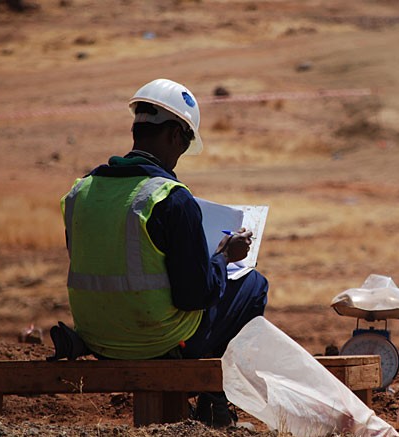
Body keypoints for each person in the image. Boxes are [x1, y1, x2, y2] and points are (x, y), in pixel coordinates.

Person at [60, 78, 269, 427]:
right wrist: (222, 257)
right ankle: (213, 400)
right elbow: (195, 295)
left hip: (97, 337)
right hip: (157, 342)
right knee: (253, 285)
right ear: (175, 136)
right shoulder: (171, 198)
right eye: (186, 142)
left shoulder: (80, 192)